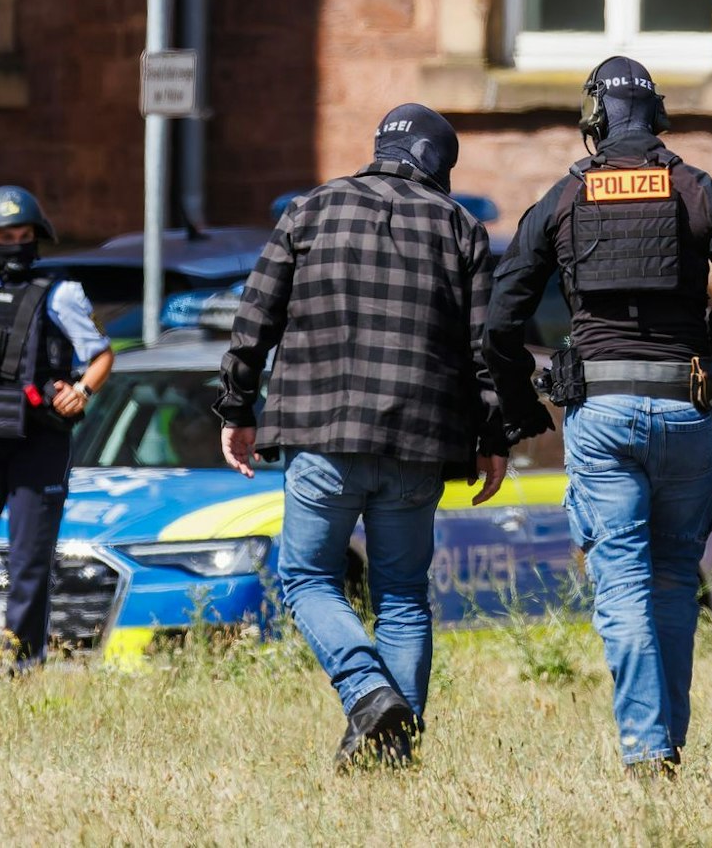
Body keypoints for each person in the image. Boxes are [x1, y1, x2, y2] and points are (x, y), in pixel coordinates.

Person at [484, 57, 712, 777]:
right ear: (659, 116)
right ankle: (665, 744)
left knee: (622, 581)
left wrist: (527, 407)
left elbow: (499, 320)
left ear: (593, 120)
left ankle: (648, 751)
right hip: (685, 410)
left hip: (602, 413)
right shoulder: (701, 191)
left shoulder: (562, 197)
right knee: (677, 579)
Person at [215, 104, 506, 770]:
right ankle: (393, 747)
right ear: (440, 163)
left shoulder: (311, 209)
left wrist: (236, 407)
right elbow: (485, 350)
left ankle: (369, 693)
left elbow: (253, 316)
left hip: (322, 434)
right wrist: (494, 435)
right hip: (419, 441)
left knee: (307, 577)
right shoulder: (460, 226)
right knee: (402, 595)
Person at [0, 185, 113, 669]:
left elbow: (101, 354)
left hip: (39, 442)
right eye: (6, 235)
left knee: (29, 560)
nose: (17, 243)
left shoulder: (61, 293)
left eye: (25, 234)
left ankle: (22, 660)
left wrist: (82, 391)